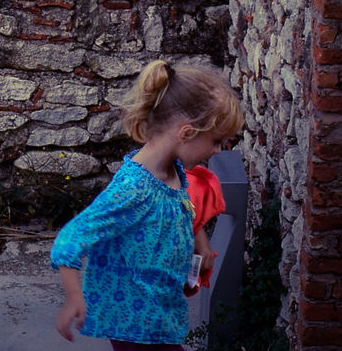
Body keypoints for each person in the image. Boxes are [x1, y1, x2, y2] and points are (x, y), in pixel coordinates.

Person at [50, 59, 244, 349]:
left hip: (163, 316)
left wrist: (199, 242)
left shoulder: (174, 170)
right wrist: (74, 297)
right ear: (186, 133)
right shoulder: (133, 190)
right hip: (135, 326)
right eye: (217, 141)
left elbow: (183, 205)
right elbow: (70, 238)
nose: (218, 150)